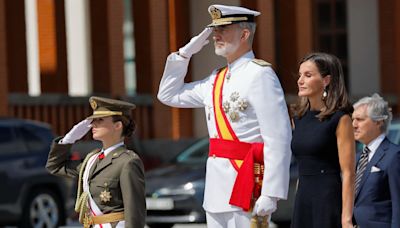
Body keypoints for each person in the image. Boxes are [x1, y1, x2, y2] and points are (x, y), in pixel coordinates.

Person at [157, 4, 292, 228]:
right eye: (214, 30)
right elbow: (168, 95)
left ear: (244, 34)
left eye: (223, 29)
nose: (215, 35)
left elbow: (278, 137)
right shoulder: (215, 79)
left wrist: (271, 192)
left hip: (247, 182)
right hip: (216, 189)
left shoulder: (260, 74)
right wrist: (184, 54)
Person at [46, 96, 146, 228]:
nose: (93, 124)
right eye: (93, 120)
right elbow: (54, 166)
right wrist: (68, 140)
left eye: (100, 120)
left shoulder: (128, 162)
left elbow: (135, 213)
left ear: (117, 125)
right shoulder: (92, 159)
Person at [290, 52, 355, 228]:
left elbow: (348, 172)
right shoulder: (298, 118)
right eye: (300, 74)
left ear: (326, 80)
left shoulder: (340, 119)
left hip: (328, 199)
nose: (300, 80)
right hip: (303, 199)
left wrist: (346, 218)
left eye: (308, 75)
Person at [352, 93, 400, 228]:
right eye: (353, 119)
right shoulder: (357, 158)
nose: (354, 125)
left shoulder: (394, 155)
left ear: (378, 122)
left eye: (360, 119)